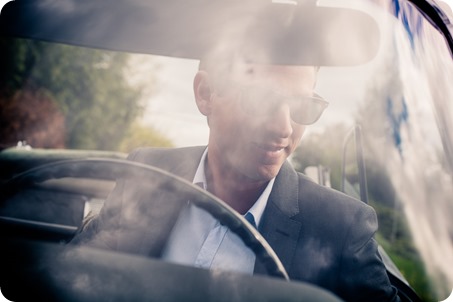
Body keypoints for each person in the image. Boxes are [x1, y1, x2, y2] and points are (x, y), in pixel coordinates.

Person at [71, 5, 400, 300]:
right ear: (206, 93)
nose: (283, 128)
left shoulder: (341, 228)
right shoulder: (146, 171)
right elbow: (71, 273)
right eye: (261, 100)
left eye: (302, 105)